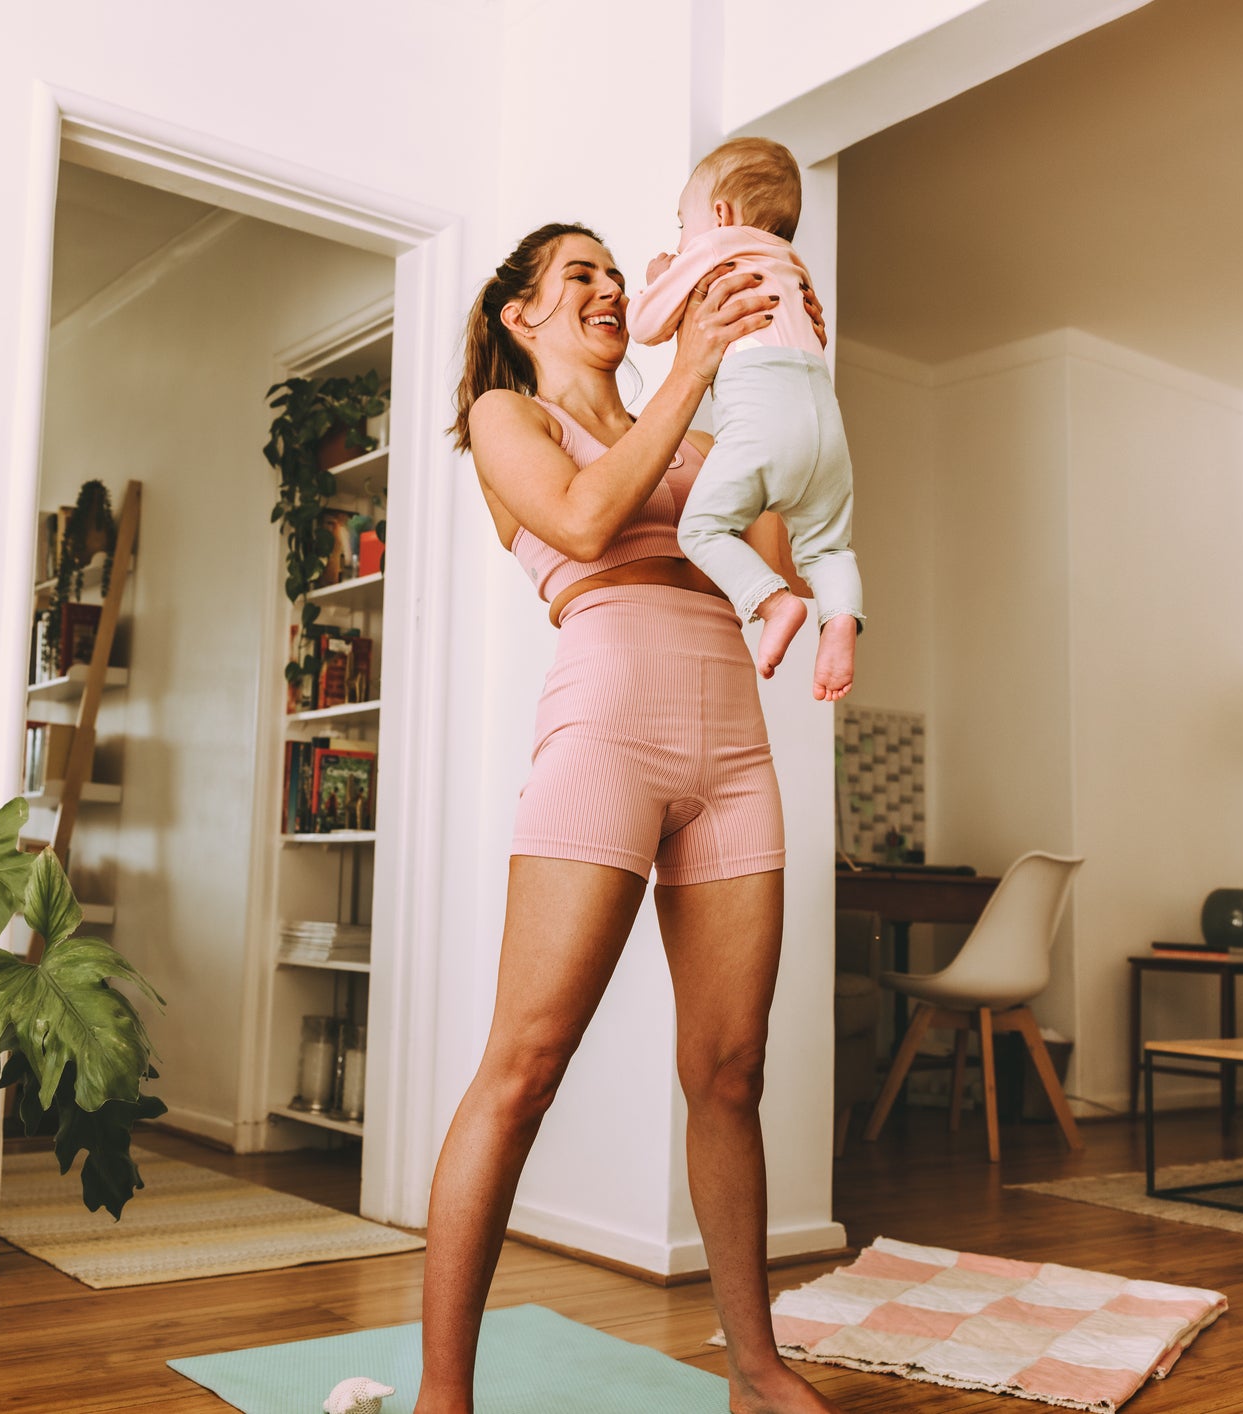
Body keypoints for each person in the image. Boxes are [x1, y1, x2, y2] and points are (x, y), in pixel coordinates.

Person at [417, 221, 841, 1414]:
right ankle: (442, 1393)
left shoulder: (705, 438)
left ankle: (753, 1371)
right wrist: (695, 367)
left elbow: (781, 578)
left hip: (731, 748)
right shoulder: (511, 420)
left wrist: (785, 373)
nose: (608, 288)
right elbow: (588, 521)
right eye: (579, 276)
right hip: (606, 730)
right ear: (521, 316)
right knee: (526, 1064)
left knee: (730, 1069)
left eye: (615, 272)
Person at [629, 137, 861, 701]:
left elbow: (647, 325)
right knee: (830, 549)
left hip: (764, 420)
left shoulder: (716, 248)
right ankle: (840, 621)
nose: (682, 239)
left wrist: (662, 277)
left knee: (703, 528)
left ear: (720, 215)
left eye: (682, 224)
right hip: (824, 425)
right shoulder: (793, 266)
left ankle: (773, 602)